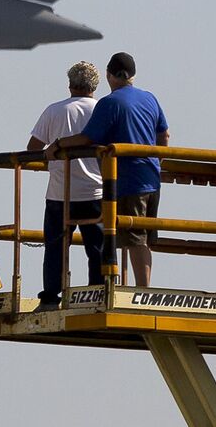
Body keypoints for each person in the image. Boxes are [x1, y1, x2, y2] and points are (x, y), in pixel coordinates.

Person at [49, 52, 170, 287]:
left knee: (129, 237)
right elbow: (164, 134)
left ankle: (136, 291)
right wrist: (157, 162)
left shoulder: (110, 102)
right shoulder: (150, 98)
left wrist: (59, 144)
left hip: (127, 181)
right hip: (152, 178)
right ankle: (141, 286)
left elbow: (87, 138)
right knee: (142, 237)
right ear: (133, 76)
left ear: (109, 75)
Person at [27, 62, 104, 311]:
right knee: (98, 248)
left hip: (60, 194)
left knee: (56, 248)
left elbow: (32, 148)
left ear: (70, 84)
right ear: (95, 85)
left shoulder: (54, 111)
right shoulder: (103, 110)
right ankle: (97, 295)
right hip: (95, 191)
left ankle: (50, 297)